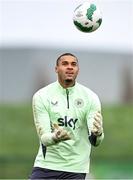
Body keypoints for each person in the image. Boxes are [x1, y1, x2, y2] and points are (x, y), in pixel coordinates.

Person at [30, 53, 104, 179]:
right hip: (47, 166)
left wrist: (98, 134)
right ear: (56, 69)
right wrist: (55, 137)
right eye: (65, 64)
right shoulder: (42, 96)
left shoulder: (90, 97)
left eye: (73, 64)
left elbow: (95, 141)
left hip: (76, 169)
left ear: (78, 70)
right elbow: (44, 138)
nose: (70, 67)